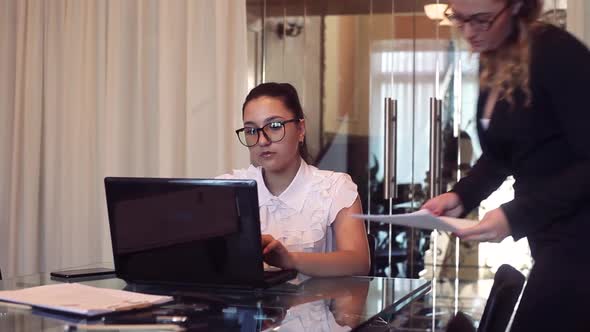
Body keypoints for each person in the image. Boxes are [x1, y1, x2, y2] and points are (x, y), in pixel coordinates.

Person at [422, 0, 590, 330]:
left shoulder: (557, 54)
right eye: (460, 19)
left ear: (516, 7)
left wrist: (513, 216)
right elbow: (502, 154)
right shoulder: (497, 58)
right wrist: (461, 196)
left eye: (482, 20)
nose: (469, 32)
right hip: (552, 237)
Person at [218, 82, 370, 277]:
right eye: (251, 130)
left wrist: (290, 259)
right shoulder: (229, 189)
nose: (262, 141)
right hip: (249, 306)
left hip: (318, 305)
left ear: (300, 129)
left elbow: (358, 261)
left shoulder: (335, 187)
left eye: (274, 126)